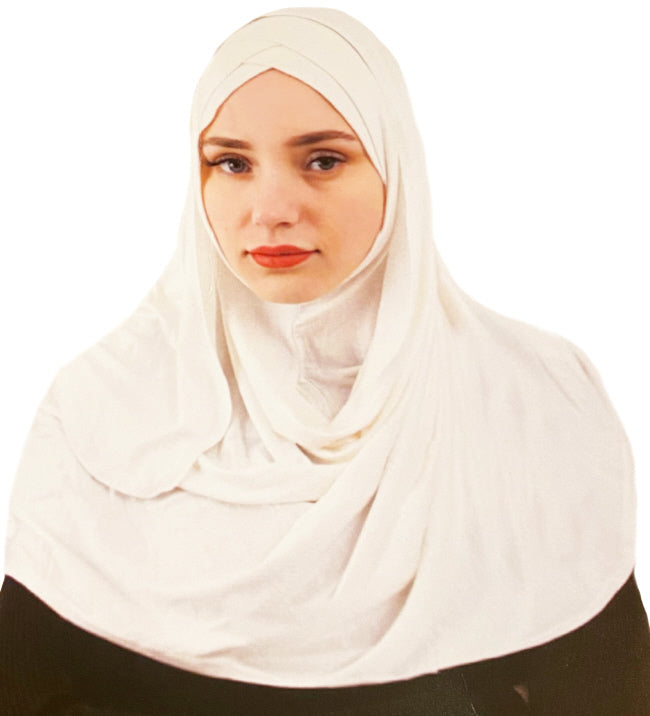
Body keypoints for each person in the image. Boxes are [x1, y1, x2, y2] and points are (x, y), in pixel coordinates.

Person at [1, 7, 649, 715]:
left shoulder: (534, 400)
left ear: (396, 169)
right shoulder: (100, 411)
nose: (271, 209)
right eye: (232, 163)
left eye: (323, 160)